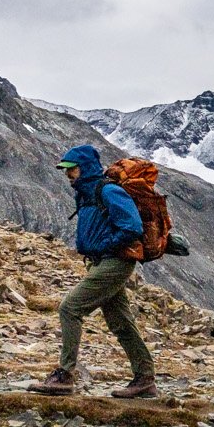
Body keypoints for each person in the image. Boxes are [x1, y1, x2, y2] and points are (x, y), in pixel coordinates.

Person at [29, 144, 157, 398]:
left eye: (72, 169)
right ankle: (145, 380)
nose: (68, 175)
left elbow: (132, 227)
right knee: (120, 321)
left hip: (115, 261)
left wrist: (105, 246)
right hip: (101, 261)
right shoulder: (86, 193)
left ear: (85, 167)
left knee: (70, 307)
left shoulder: (108, 191)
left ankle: (64, 375)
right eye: (66, 170)